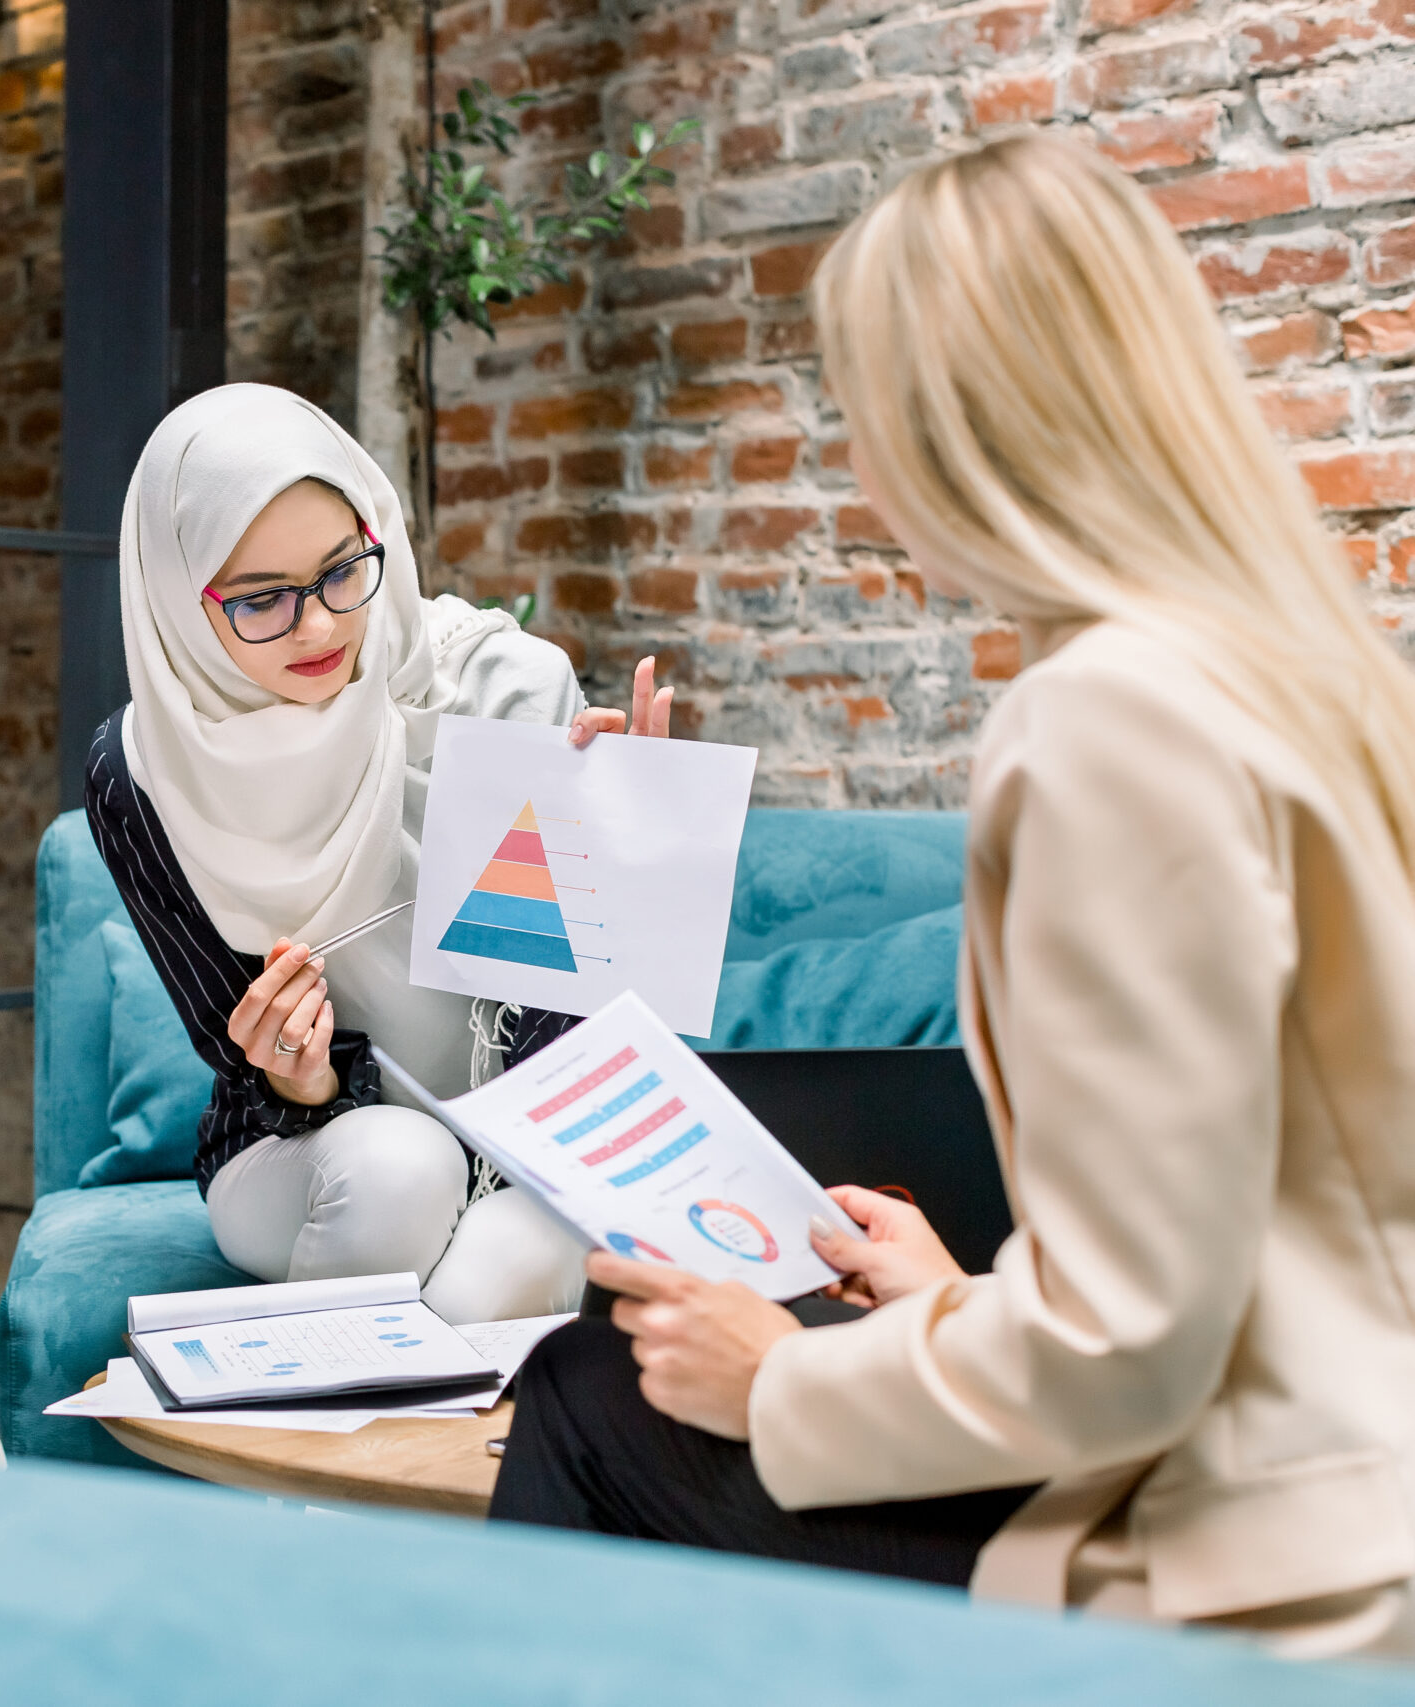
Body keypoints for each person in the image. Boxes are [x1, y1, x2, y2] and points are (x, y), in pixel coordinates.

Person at [491, 134, 1415, 1660]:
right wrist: (965, 1293)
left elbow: (1134, 1345)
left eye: (863, 413)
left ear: (951, 426)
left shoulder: (1109, 716)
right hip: (1364, 1480)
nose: (859, 469)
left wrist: (776, 1381)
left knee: (594, 1390)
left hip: (1264, 1564)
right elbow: (1259, 1226)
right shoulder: (1324, 685)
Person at [87, 383, 672, 1324]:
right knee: (402, 1165)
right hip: (303, 1144)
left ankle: (319, 1443)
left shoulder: (504, 688)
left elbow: (581, 1045)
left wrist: (625, 854)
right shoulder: (141, 772)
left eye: (339, 571)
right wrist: (300, 1074)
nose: (319, 626)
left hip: (531, 1145)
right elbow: (239, 1055)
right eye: (261, 601)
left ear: (377, 535)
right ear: (177, 605)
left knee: (517, 1252)